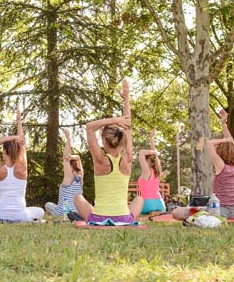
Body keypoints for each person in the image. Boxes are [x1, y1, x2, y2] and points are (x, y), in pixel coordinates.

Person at [74, 80, 144, 223]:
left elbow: (89, 127)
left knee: (77, 198)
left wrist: (115, 120)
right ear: (121, 140)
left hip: (98, 218)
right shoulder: (128, 158)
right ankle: (122, 217)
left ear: (104, 140)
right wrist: (126, 99)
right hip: (124, 218)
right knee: (140, 199)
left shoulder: (100, 159)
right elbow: (128, 127)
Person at [0, 108, 44, 222]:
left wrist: (13, 137)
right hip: (21, 215)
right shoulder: (22, 168)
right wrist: (19, 121)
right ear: (18, 152)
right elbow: (22, 141)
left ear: (3, 152)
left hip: (0, 214)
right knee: (40, 211)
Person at [173, 109, 234, 219]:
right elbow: (231, 143)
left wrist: (224, 141)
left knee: (176, 212)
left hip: (221, 211)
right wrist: (223, 124)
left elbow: (209, 143)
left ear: (222, 153)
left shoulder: (221, 166)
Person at [45, 128, 83, 216]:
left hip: (65, 212)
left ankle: (65, 214)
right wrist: (75, 157)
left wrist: (68, 138)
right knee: (64, 202)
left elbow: (66, 157)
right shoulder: (80, 176)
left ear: (70, 166)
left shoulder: (69, 177)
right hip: (78, 212)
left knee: (48, 205)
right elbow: (78, 159)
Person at [138, 129, 165, 214]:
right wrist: (151, 138)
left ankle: (150, 211)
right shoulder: (157, 170)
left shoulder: (147, 171)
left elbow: (141, 152)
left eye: (146, 159)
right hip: (160, 204)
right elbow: (154, 157)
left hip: (148, 204)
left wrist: (155, 152)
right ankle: (156, 211)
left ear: (148, 161)